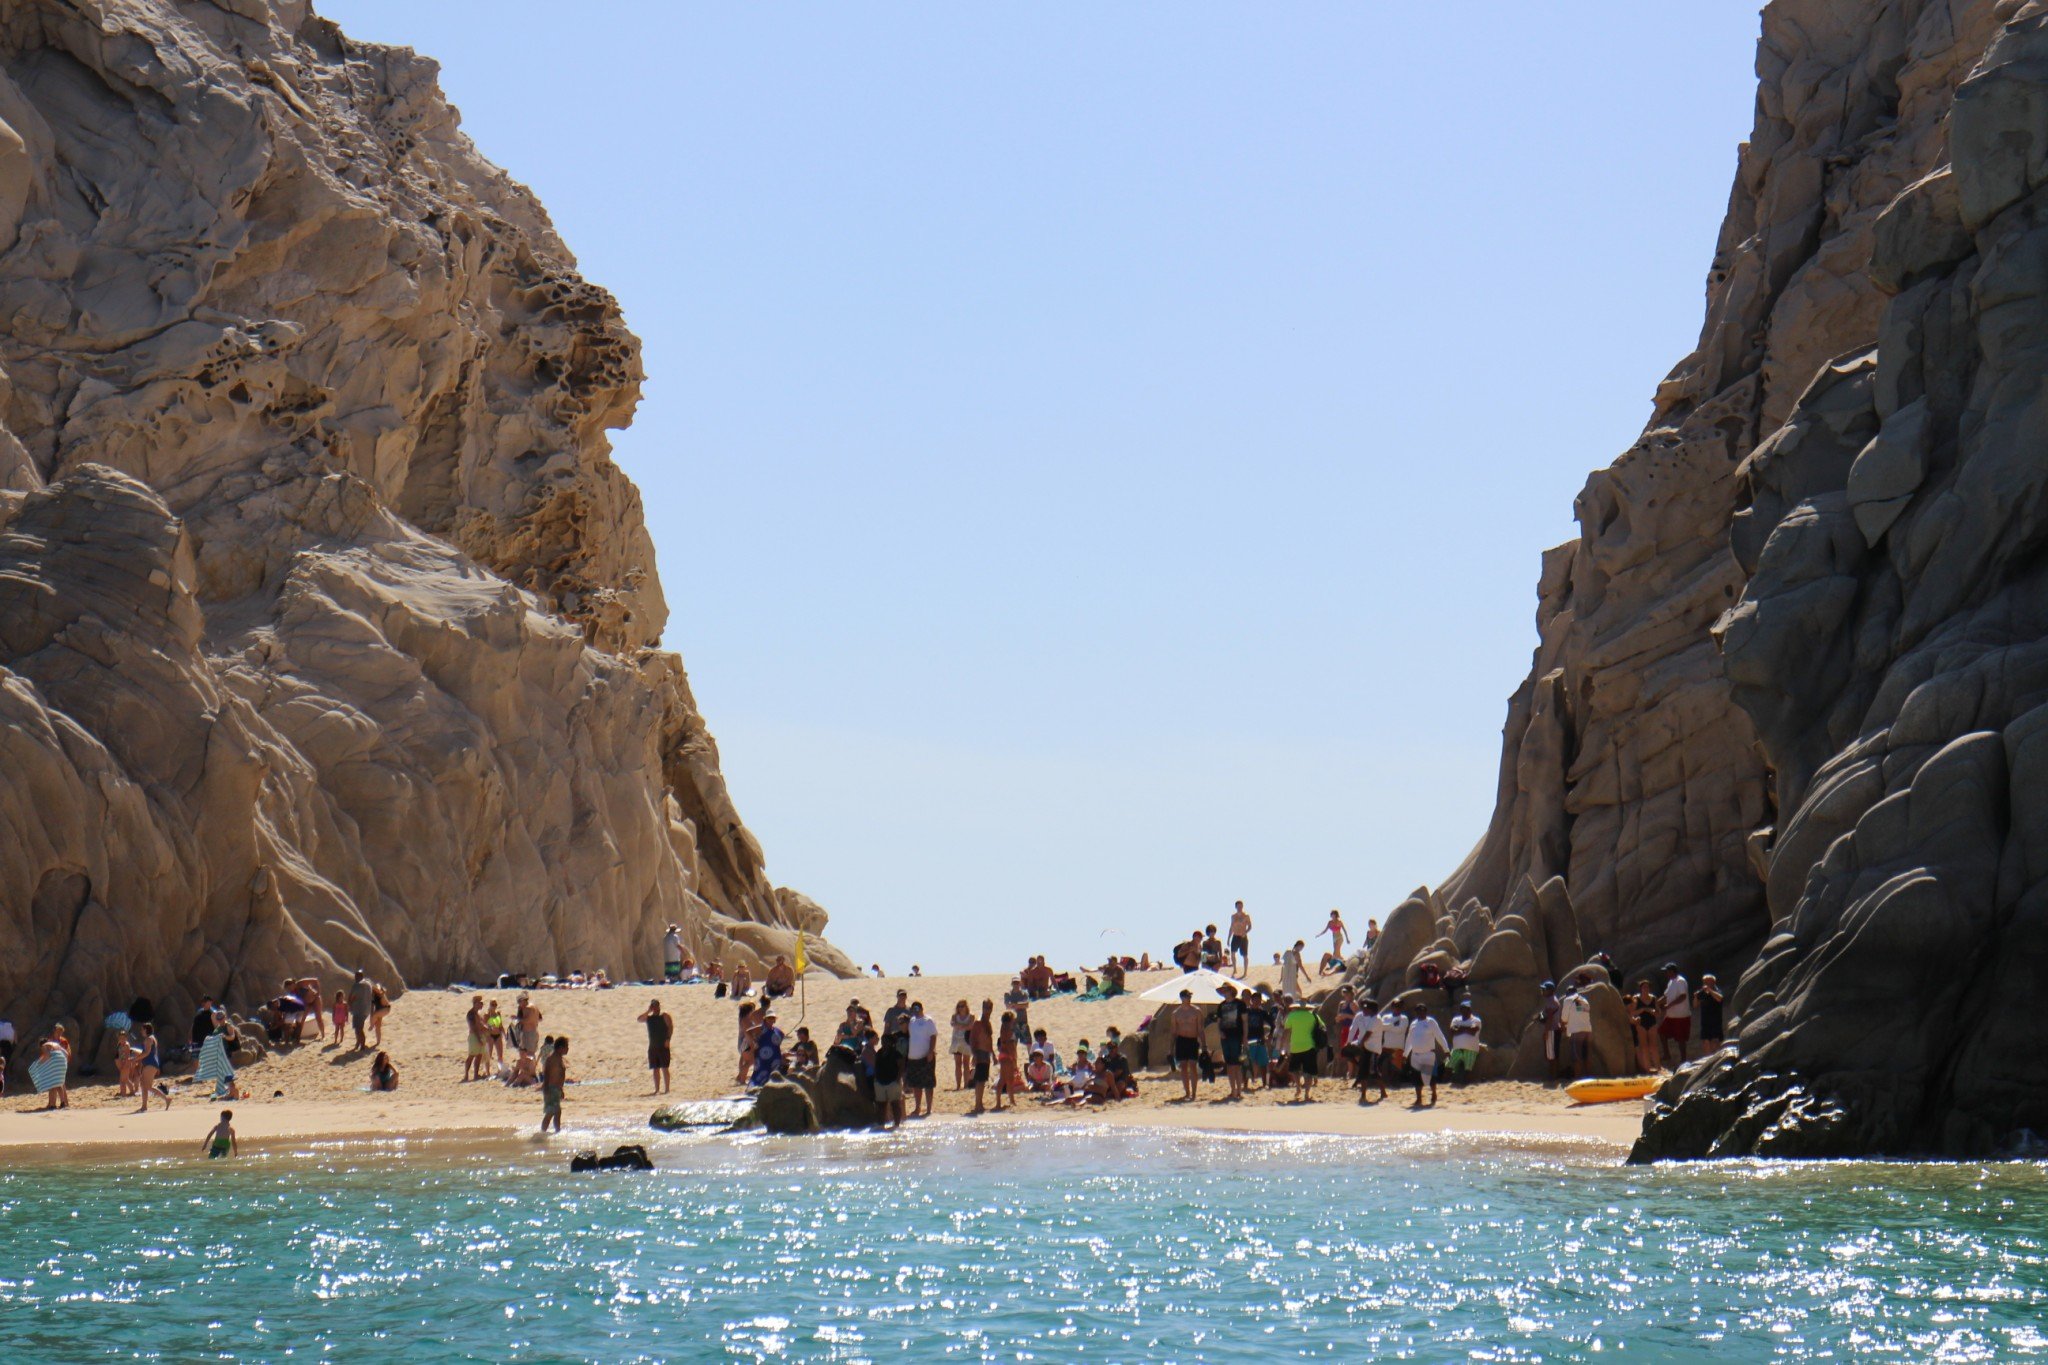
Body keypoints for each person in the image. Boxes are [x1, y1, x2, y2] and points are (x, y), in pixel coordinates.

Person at [1404, 1006, 1450, 1107]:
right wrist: (1405, 1054)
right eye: (1418, 1011)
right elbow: (1409, 1040)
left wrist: (1446, 1049)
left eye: (1422, 1010)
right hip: (1415, 1055)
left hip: (1428, 1054)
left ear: (1426, 1011)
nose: (1420, 1012)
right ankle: (1419, 1099)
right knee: (1416, 1077)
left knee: (1430, 1077)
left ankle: (1433, 1094)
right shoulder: (1413, 1024)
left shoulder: (1431, 1022)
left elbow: (1439, 1036)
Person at [904, 1001, 939, 1118]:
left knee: (928, 1083)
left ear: (922, 1008)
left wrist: (930, 1051)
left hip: (926, 1056)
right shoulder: (911, 1022)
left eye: (917, 1008)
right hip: (913, 1057)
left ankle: (929, 1108)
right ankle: (917, 1107)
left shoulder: (928, 1021)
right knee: (916, 1085)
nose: (916, 1010)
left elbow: (933, 1036)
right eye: (914, 1008)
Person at [1283, 996, 1321, 1102]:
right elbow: (1322, 1027)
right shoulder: (1313, 1016)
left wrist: (1283, 1046)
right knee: (1308, 1072)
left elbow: (1286, 1031)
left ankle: (1298, 1087)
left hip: (1295, 1046)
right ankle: (1307, 1093)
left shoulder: (1292, 1015)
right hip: (1310, 1046)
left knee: (1294, 1069)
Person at [872, 1016, 907, 1128]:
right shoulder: (879, 1053)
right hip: (880, 1081)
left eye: (886, 1041)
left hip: (893, 1081)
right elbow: (875, 1066)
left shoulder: (896, 1053)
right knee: (880, 1105)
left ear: (891, 1042)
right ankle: (880, 1125)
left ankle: (896, 1124)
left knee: (895, 1104)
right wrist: (876, 1079)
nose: (884, 1043)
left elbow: (901, 1067)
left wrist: (897, 1079)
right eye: (883, 1041)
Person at [1214, 982, 1247, 1100]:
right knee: (1229, 1064)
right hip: (1225, 1037)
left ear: (1231, 991)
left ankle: (1239, 1089)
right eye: (1223, 991)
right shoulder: (1221, 1005)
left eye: (1226, 990)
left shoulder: (1240, 1004)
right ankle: (1233, 1089)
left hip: (1236, 1037)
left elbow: (1245, 1022)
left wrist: (1245, 1037)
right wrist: (1220, 1032)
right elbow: (1218, 1022)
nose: (1224, 993)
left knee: (1237, 1065)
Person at [1170, 990, 1204, 1102]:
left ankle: (1194, 1092)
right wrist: (1171, 1048)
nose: (1189, 998)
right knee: (1183, 1067)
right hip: (1181, 1041)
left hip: (1192, 1040)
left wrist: (1204, 1044)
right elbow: (1174, 1032)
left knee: (1193, 1066)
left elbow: (1200, 1029)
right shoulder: (1176, 1013)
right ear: (1182, 998)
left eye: (1189, 996)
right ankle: (1187, 1092)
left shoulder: (1196, 1011)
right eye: (1187, 996)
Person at [1659, 963, 1693, 1067]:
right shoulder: (1671, 982)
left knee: (1681, 1038)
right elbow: (1665, 995)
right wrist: (1655, 1003)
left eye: (1667, 971)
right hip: (1671, 1015)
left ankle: (1683, 1060)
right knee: (1662, 1032)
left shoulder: (1680, 981)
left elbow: (1683, 996)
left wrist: (1669, 1005)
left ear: (1672, 971)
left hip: (1681, 1014)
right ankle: (1667, 1054)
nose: (1666, 973)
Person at [134, 1022, 169, 1113]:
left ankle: (165, 1099)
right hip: (150, 1064)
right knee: (145, 1085)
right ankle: (144, 1106)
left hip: (150, 1064)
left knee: (146, 1086)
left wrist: (135, 1059)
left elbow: (147, 1053)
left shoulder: (149, 1039)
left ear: (146, 1029)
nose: (141, 1031)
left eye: (142, 1029)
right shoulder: (151, 1038)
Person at [639, 999, 673, 1095]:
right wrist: (648, 1011)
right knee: (655, 1068)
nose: (656, 1008)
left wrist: (668, 1039)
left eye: (656, 1006)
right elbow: (639, 1019)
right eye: (653, 1006)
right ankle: (657, 1089)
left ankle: (667, 1089)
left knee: (665, 1067)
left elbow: (670, 1027)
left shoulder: (664, 1016)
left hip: (663, 1045)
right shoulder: (649, 1018)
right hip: (653, 1046)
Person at [968, 1000, 995, 1116]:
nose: (988, 1010)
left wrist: (993, 1054)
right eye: (986, 1008)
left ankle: (980, 1103)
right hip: (979, 1052)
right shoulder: (978, 1022)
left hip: (986, 1053)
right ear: (983, 1008)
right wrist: (974, 1054)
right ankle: (977, 1104)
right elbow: (972, 1039)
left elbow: (989, 1040)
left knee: (983, 1079)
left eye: (990, 1008)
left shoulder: (988, 1023)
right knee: (979, 1080)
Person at [1447, 1000, 1483, 1085]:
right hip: (1457, 1049)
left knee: (1468, 1069)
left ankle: (1465, 1083)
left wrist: (1460, 1028)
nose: (1464, 1011)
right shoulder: (1456, 1019)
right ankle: (1446, 1083)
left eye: (1466, 1009)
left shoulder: (1476, 1020)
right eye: (1462, 1009)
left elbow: (1473, 1031)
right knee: (1448, 1066)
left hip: (1471, 1049)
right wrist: (1467, 1028)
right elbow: (1452, 1031)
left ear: (1470, 1010)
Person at [1243, 991, 1272, 1090]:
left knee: (1263, 1063)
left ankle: (1265, 1083)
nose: (1257, 1002)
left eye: (1259, 1000)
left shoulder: (1262, 1013)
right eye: (1255, 1000)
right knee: (1247, 1064)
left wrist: (1270, 1035)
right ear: (1251, 1000)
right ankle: (1245, 1084)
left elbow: (1272, 1024)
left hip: (1260, 1040)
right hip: (1249, 1041)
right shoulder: (1246, 1012)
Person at [1563, 986, 1595, 1077]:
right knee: (1587, 1055)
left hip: (1577, 1031)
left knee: (1576, 1056)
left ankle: (1578, 1078)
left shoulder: (1568, 1000)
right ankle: (1589, 1077)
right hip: (1588, 1031)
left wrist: (1563, 1026)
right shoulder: (1585, 1001)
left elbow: (1564, 1019)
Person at [1631, 980, 1661, 1074]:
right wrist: (1644, 1009)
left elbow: (1658, 1012)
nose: (1646, 989)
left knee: (1654, 1046)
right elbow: (1632, 1012)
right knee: (1644, 1046)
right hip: (1641, 1024)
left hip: (1652, 1023)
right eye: (1644, 987)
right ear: (1640, 989)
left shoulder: (1653, 998)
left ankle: (1658, 1067)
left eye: (1647, 987)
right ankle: (1647, 1068)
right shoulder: (1636, 999)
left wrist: (1653, 1011)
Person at [750, 1011, 785, 1087]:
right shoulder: (761, 1028)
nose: (771, 1019)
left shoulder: (777, 1031)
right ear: (765, 1019)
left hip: (775, 1058)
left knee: (773, 1077)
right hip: (762, 1058)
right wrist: (753, 1043)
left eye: (772, 1018)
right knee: (759, 1075)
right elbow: (748, 1032)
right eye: (769, 1018)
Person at [540, 1039, 566, 1132]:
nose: (567, 1049)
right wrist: (546, 1088)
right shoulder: (552, 1058)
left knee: (557, 1112)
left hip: (556, 1089)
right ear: (560, 1048)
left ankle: (557, 1131)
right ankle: (543, 1132)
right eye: (566, 1047)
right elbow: (546, 1073)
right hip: (551, 1088)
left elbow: (560, 1075)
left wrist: (561, 1090)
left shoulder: (559, 1058)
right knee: (550, 1112)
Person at [1696, 973, 1726, 1053]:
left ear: (1713, 982)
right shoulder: (1702, 993)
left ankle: (1717, 1058)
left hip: (1715, 1021)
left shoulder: (1717, 990)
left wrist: (1710, 991)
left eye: (1707, 982)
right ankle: (1708, 1059)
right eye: (1704, 982)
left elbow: (1720, 998)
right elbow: (1695, 1005)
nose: (1705, 984)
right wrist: (1696, 997)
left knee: (1715, 1041)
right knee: (1705, 1041)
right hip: (1705, 1021)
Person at [949, 1000, 974, 1091]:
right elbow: (953, 1024)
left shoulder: (971, 1016)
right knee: (957, 1063)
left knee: (966, 1063)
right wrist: (964, 1026)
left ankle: (966, 1084)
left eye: (962, 1006)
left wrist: (961, 1026)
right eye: (959, 1006)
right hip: (956, 1041)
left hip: (966, 1041)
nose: (960, 1008)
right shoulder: (954, 1016)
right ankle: (958, 1085)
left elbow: (971, 1026)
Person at [463, 995, 488, 1082]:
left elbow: (481, 1025)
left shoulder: (478, 1014)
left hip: (480, 1036)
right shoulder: (471, 1014)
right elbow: (473, 1027)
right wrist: (478, 1038)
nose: (481, 1005)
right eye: (480, 1003)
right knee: (471, 1056)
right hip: (474, 1036)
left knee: (479, 1056)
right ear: (475, 1004)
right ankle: (466, 1075)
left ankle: (476, 1075)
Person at [349, 970, 375, 1051]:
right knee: (359, 1027)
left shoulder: (357, 985)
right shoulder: (368, 984)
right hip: (366, 1009)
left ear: (358, 976)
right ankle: (359, 1043)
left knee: (358, 1029)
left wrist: (350, 1005)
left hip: (358, 1010)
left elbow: (351, 997)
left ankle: (362, 1045)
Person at [1227, 901, 1252, 978]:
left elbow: (1250, 926)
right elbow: (1231, 927)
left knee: (1245, 955)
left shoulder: (1246, 916)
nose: (1239, 908)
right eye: (1238, 906)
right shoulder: (1233, 916)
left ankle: (1245, 972)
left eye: (1241, 906)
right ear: (1236, 907)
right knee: (1233, 953)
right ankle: (1235, 969)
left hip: (1243, 936)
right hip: (1235, 936)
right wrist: (1228, 938)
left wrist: (1246, 932)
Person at [485, 999, 507, 1068]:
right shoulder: (487, 1015)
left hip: (498, 1035)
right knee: (489, 1054)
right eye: (492, 1005)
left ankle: (500, 1069)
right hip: (490, 1035)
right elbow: (484, 1025)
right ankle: (487, 1071)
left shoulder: (498, 1014)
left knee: (500, 1054)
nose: (494, 1006)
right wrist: (490, 1027)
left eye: (495, 1005)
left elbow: (500, 1025)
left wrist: (504, 1034)